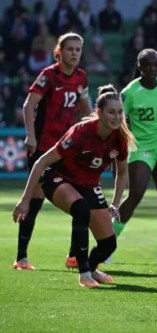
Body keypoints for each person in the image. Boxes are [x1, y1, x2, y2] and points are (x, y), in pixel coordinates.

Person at [13, 84, 136, 287]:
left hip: (87, 184)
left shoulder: (119, 138)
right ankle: (84, 273)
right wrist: (25, 200)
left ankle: (93, 268)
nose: (116, 117)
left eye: (120, 112)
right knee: (81, 208)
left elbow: (122, 173)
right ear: (99, 113)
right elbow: (40, 162)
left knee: (108, 244)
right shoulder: (81, 132)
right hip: (57, 177)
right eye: (111, 112)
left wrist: (114, 203)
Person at [14, 32, 92, 270]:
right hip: (45, 147)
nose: (75, 53)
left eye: (78, 49)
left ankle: (73, 256)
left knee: (80, 199)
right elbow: (29, 105)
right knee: (35, 200)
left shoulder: (81, 77)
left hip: (68, 148)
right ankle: (21, 258)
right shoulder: (49, 75)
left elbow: (86, 110)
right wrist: (31, 136)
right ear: (59, 52)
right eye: (70, 49)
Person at [110, 48, 157, 264]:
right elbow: (118, 123)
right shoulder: (130, 93)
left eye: (156, 64)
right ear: (139, 67)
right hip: (141, 148)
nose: (152, 69)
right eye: (148, 65)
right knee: (135, 195)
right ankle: (108, 244)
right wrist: (118, 151)